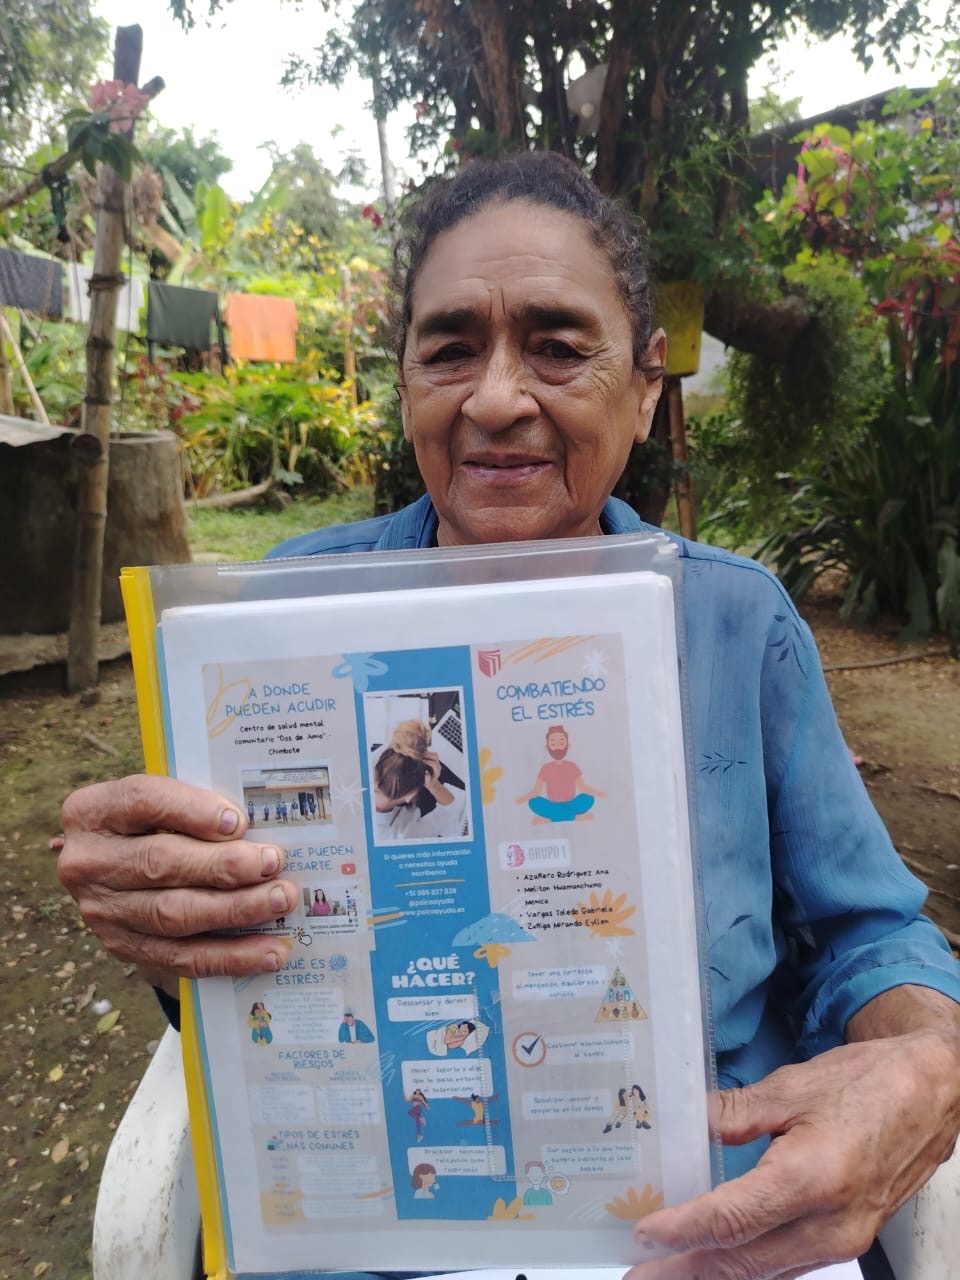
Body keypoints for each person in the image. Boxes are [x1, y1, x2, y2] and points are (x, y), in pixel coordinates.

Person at [57, 151, 960, 1280]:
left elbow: (869, 929)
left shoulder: (737, 622)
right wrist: (162, 908)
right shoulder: (275, 632)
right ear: (405, 384)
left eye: (557, 346)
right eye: (449, 348)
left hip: (703, 1231)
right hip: (373, 1236)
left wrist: (930, 1054)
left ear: (646, 384)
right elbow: (234, 954)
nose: (493, 397)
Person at [371, 719, 466, 841]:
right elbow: (454, 810)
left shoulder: (371, 762)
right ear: (410, 796)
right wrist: (434, 785)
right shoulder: (402, 835)